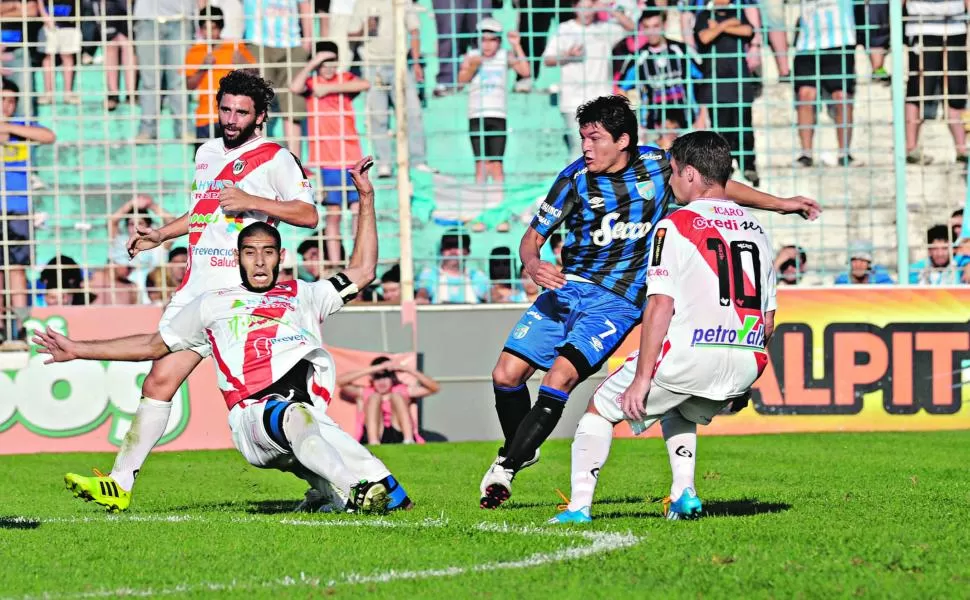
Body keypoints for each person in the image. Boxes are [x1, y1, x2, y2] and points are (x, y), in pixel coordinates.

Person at [478, 94, 820, 510]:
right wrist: (533, 264)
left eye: (594, 138)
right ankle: (523, 448)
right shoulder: (573, 179)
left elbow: (719, 185)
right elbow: (532, 239)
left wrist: (782, 205)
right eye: (583, 138)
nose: (586, 147)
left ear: (622, 140)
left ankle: (506, 468)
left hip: (618, 301)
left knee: (560, 379)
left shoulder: (660, 167)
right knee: (505, 375)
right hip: (567, 289)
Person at [36, 178, 413, 515]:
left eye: (268, 252)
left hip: (309, 418)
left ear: (281, 257)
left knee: (396, 500)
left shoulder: (305, 294)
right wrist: (78, 348)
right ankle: (352, 491)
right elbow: (154, 346)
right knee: (296, 418)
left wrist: (366, 196)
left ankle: (325, 493)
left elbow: (363, 271)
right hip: (254, 417)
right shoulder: (214, 303)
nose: (260, 261)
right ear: (238, 258)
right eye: (250, 252)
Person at [52, 69, 319, 512]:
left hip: (239, 298)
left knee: (253, 417)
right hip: (198, 290)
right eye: (225, 109)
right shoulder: (207, 152)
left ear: (260, 116)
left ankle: (331, 481)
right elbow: (204, 213)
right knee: (159, 379)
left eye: (241, 112)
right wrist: (162, 235)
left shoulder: (275, 157)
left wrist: (254, 202)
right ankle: (119, 484)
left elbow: (307, 215)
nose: (231, 119)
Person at [548, 130, 777, 524]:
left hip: (688, 355)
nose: (669, 182)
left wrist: (642, 377)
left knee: (599, 410)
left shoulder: (675, 225)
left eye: (672, 173)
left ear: (689, 173)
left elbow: (659, 305)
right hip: (747, 358)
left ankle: (578, 508)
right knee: (679, 409)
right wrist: (743, 370)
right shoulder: (758, 230)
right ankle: (684, 494)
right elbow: (768, 317)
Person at [289, 41, 369, 266]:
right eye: (323, 63)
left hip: (351, 155)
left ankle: (357, 258)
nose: (328, 67)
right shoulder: (311, 82)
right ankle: (335, 264)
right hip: (326, 162)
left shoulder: (343, 80)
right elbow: (294, 87)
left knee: (356, 212)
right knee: (333, 215)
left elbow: (365, 84)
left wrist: (330, 88)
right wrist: (313, 63)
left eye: (332, 62)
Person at [0, 77, 55, 338]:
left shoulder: (21, 125)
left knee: (17, 268)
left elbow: (47, 136)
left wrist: (8, 127)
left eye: (12, 100)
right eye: (3, 100)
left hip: (17, 206)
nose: (7, 105)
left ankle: (20, 326)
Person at [694, 0, 759, 186]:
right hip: (717, 83)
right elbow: (705, 37)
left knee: (745, 127)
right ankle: (725, 168)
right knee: (722, 131)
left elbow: (748, 31)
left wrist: (720, 27)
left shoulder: (738, 12)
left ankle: (749, 166)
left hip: (739, 81)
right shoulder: (705, 16)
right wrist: (729, 25)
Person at [457, 18, 530, 184]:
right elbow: (460, 82)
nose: (487, 45)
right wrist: (472, 66)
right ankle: (480, 202)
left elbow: (525, 71)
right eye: (483, 40)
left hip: (498, 114)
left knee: (497, 164)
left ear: (498, 41)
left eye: (492, 40)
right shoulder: (472, 56)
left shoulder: (504, 56)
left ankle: (498, 203)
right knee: (480, 164)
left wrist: (516, 45)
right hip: (476, 114)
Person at [185, 6, 255, 150]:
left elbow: (255, 75)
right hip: (205, 117)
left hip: (232, 116)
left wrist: (244, 64)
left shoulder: (234, 46)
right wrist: (203, 67)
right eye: (205, 28)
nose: (210, 33)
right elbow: (189, 85)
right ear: (200, 29)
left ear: (221, 27)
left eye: (214, 28)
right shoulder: (195, 51)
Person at [338, 355, 441, 445]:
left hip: (398, 431)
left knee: (396, 396)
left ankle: (409, 440)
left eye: (386, 376)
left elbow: (434, 388)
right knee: (375, 397)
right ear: (372, 379)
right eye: (378, 377)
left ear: (392, 378)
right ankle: (373, 442)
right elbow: (340, 382)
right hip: (375, 433)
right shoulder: (366, 392)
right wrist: (374, 369)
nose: (382, 381)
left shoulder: (402, 390)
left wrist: (406, 369)